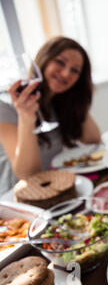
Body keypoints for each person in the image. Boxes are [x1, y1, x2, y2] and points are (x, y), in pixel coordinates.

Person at [0, 36, 101, 196]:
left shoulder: (57, 101)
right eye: (60, 62)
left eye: (75, 70)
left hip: (56, 187)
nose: (66, 73)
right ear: (44, 60)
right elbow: (27, 175)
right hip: (19, 195)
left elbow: (93, 139)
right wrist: (26, 118)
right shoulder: (5, 106)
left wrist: (78, 100)